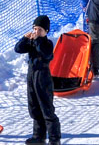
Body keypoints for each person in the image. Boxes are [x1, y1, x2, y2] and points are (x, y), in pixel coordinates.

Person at [15, 15, 61, 145]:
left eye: (40, 29)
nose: (36, 32)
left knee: (46, 109)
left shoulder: (47, 43)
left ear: (46, 31)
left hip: (43, 77)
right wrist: (25, 38)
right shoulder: (31, 42)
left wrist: (38, 40)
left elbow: (46, 54)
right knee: (34, 107)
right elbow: (18, 49)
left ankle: (54, 139)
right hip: (31, 76)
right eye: (35, 28)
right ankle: (38, 136)